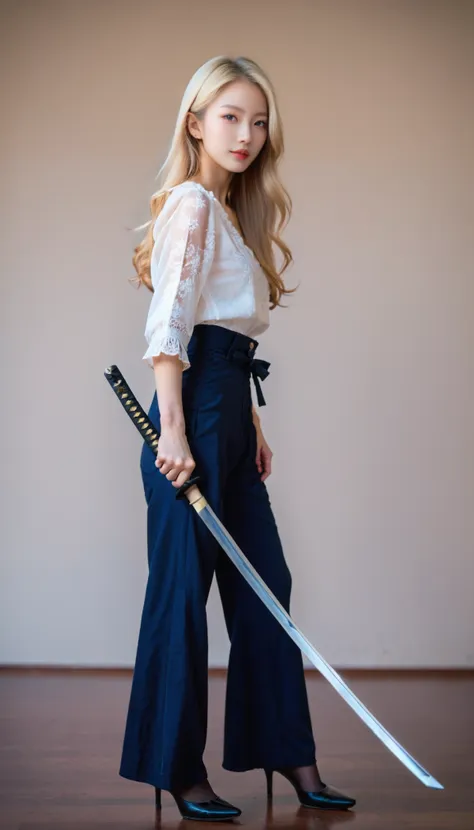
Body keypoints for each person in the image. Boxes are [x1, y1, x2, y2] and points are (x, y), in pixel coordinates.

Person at [119, 55, 356, 821]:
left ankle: (288, 751)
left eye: (259, 121)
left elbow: (226, 338)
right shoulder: (189, 202)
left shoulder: (227, 214)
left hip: (226, 410)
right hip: (190, 416)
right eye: (230, 116)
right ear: (195, 122)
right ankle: (177, 769)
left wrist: (250, 425)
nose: (247, 134)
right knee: (183, 597)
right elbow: (170, 330)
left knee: (267, 591)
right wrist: (177, 431)